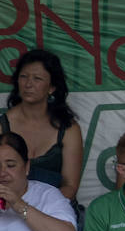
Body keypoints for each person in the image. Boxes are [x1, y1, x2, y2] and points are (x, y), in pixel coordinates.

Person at [1, 49, 82, 198]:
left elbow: (70, 186)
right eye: (23, 77)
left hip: (55, 209)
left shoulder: (68, 129)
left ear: (52, 87)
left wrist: (37, 209)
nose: (28, 84)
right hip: (7, 209)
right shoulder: (2, 125)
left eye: (37, 78)